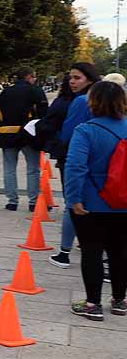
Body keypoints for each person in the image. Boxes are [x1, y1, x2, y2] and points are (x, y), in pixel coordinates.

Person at [65, 81, 127, 321]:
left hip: (92, 202)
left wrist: (74, 198)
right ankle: (120, 300)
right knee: (121, 251)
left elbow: (75, 167)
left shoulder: (86, 130)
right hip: (124, 203)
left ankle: (93, 304)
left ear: (93, 101)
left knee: (91, 252)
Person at [47, 64, 100, 268]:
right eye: (71, 77)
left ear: (90, 80)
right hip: (104, 161)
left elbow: (69, 132)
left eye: (77, 78)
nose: (72, 81)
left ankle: (64, 252)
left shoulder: (81, 101)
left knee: (74, 203)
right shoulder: (108, 99)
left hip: (78, 158)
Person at [0, 68, 48, 212]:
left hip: (7, 133)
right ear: (29, 77)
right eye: (34, 77)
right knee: (32, 169)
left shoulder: (5, 92)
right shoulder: (35, 91)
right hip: (28, 134)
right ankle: (33, 202)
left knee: (9, 169)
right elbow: (44, 114)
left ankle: (12, 201)